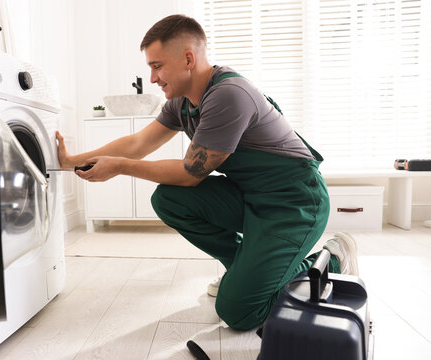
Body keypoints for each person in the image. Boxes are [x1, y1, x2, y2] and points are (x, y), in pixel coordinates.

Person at [55, 14, 359, 331]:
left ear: (188, 58)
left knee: (239, 311)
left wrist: (119, 167)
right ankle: (243, 268)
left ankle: (333, 257)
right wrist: (70, 160)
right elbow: (137, 144)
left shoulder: (228, 95)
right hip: (250, 197)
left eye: (157, 65)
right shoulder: (182, 102)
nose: (153, 77)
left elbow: (190, 173)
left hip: (294, 204)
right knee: (169, 199)